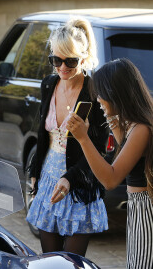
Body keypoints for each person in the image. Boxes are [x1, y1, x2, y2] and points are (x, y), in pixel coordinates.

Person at [26, 18, 110, 256]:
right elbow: (42, 134)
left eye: (70, 61)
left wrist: (71, 178)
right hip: (48, 179)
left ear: (83, 58)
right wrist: (34, 170)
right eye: (56, 60)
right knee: (49, 259)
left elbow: (102, 150)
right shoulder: (49, 84)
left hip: (79, 180)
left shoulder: (95, 92)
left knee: (72, 262)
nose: (62, 67)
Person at [66, 58, 153, 268]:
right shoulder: (134, 124)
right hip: (138, 206)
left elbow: (111, 179)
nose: (97, 100)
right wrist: (112, 116)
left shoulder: (141, 129)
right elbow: (120, 156)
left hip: (145, 208)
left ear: (115, 94)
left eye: (100, 94)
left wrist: (83, 138)